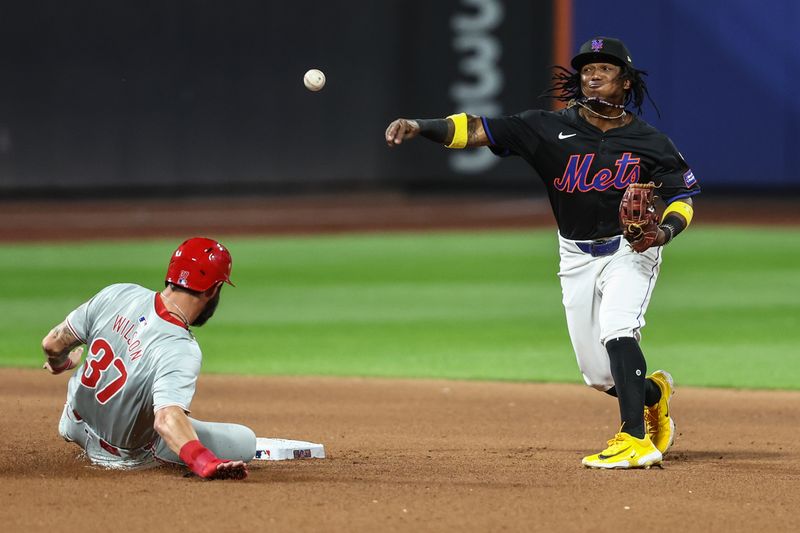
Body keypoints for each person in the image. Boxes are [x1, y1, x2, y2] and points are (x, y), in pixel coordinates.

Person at [385, 36, 700, 469]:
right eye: (587, 69)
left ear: (625, 82)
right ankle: (653, 395)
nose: (592, 74)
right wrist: (421, 125)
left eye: (604, 68)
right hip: (575, 254)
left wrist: (662, 233)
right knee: (597, 374)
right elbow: (478, 128)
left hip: (632, 250)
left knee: (618, 329)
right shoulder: (547, 128)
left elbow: (682, 198)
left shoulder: (650, 141)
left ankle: (634, 438)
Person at [41, 237, 255, 479]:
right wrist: (205, 462)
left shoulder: (119, 292)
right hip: (120, 456)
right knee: (245, 440)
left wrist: (62, 364)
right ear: (213, 289)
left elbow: (52, 343)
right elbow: (165, 420)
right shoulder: (180, 348)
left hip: (72, 423)